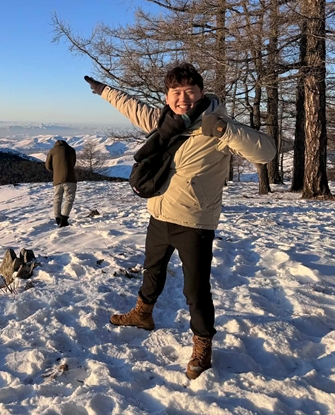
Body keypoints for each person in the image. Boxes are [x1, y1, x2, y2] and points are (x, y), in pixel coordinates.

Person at [85, 62, 276, 380]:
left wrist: (225, 130)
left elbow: (266, 152)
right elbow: (132, 106)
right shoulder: (164, 121)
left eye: (190, 91)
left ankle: (203, 343)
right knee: (152, 270)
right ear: (167, 96)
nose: (183, 99)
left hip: (195, 222)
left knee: (195, 290)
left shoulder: (217, 127)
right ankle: (142, 314)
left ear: (201, 92)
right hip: (159, 213)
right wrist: (104, 90)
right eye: (176, 92)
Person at [45, 140, 77, 227]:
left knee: (57, 198)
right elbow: (73, 163)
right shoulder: (71, 150)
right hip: (70, 178)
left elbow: (48, 166)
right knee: (69, 198)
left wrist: (56, 170)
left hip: (57, 179)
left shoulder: (52, 151)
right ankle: (64, 218)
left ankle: (57, 217)